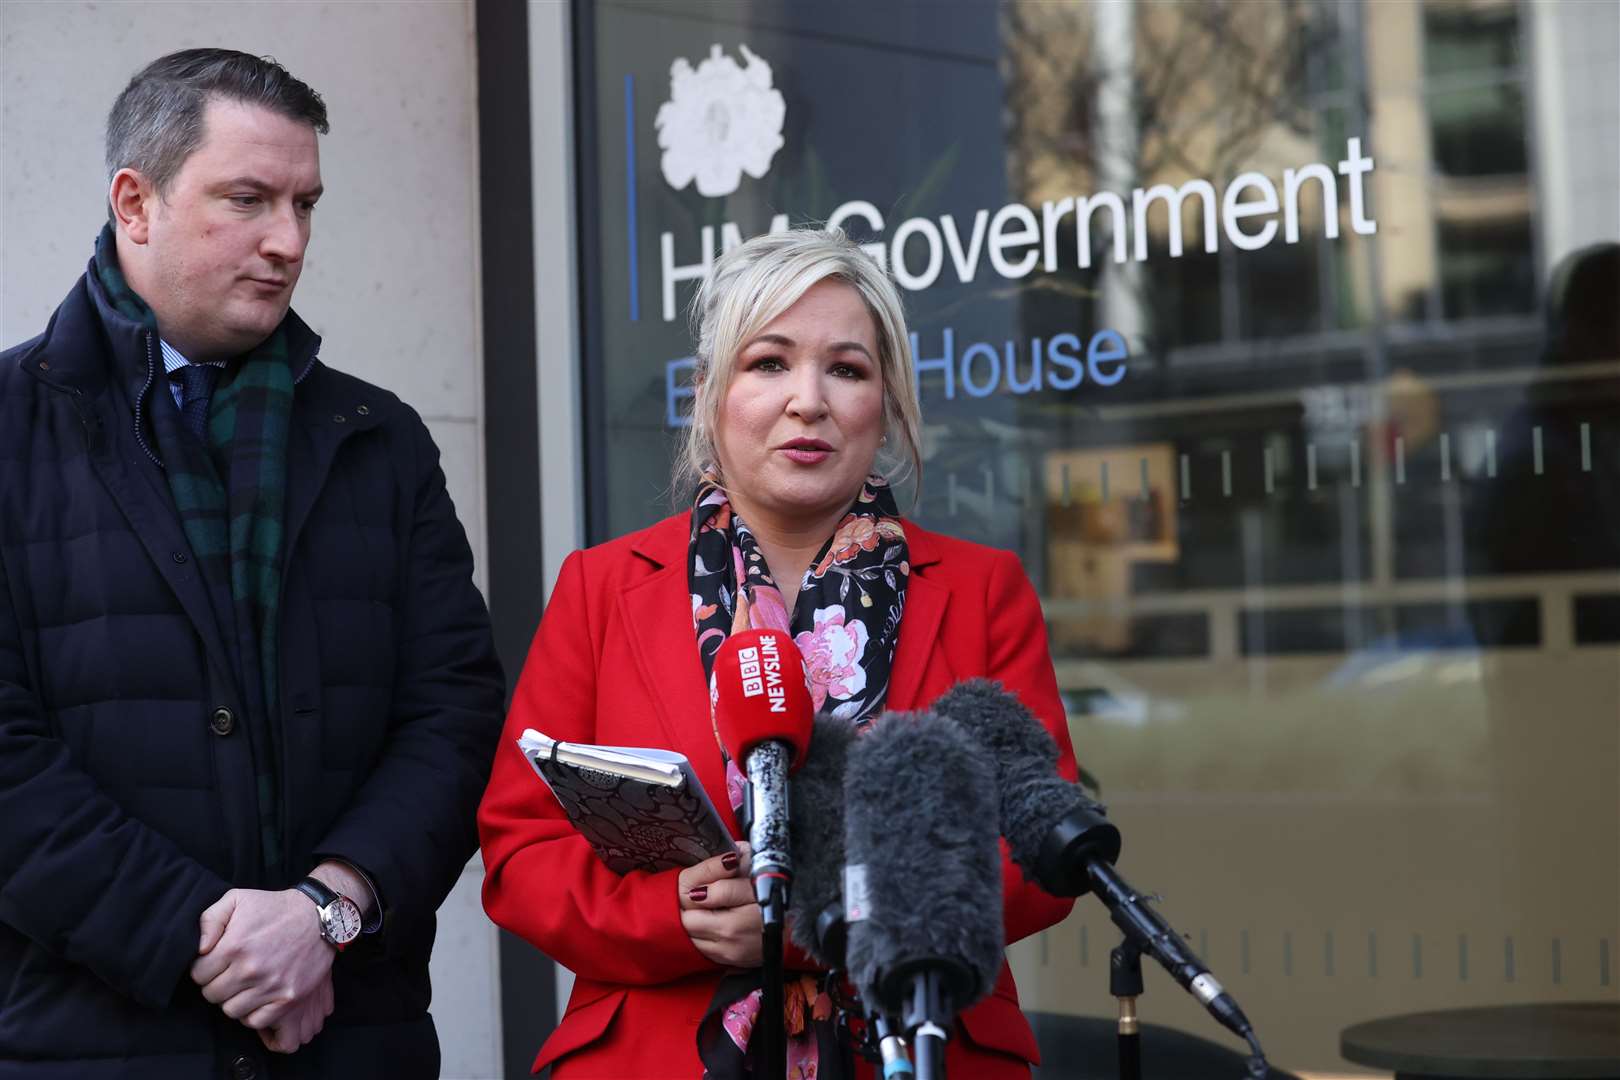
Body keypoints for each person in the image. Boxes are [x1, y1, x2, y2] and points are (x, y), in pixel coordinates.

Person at [0, 49, 504, 1078]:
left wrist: (328, 909)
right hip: (86, 1047)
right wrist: (207, 935)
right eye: (249, 199)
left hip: (351, 1042)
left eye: (305, 204)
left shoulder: (382, 440)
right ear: (134, 203)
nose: (289, 242)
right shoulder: (7, 430)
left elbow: (453, 714)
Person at [479, 228, 1079, 1078]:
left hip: (922, 1046)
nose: (809, 400)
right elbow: (521, 846)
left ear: (888, 402)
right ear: (709, 393)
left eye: (847, 368)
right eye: (768, 363)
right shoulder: (600, 587)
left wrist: (852, 907)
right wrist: (674, 917)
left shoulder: (984, 590)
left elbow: (1042, 849)